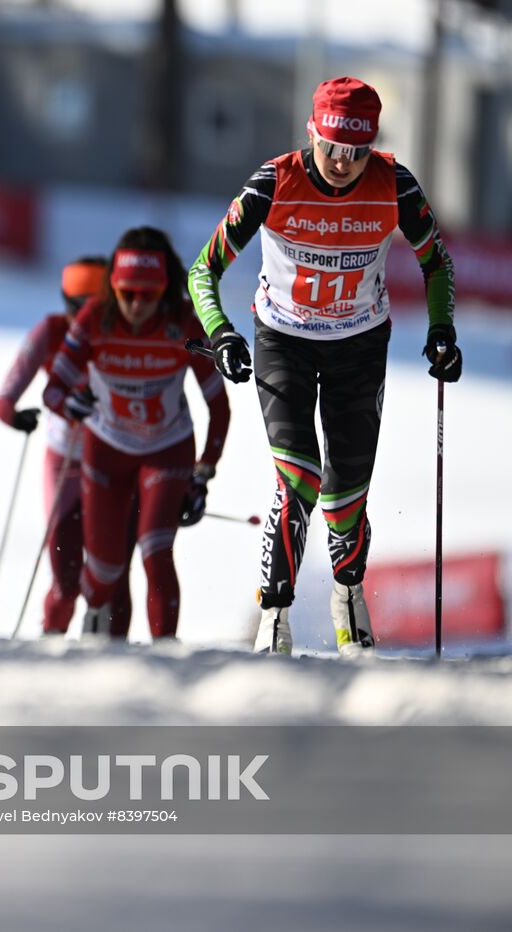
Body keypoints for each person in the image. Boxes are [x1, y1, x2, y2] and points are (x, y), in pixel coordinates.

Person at [188, 76, 459, 656]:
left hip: (360, 348)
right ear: (311, 133)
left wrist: (441, 329)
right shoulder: (274, 181)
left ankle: (347, 594)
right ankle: (275, 613)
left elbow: (437, 263)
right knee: (300, 476)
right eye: (332, 147)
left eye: (357, 151)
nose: (342, 162)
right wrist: (222, 333)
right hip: (284, 341)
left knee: (344, 499)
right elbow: (202, 272)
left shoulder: (394, 184)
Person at [41, 227, 230, 641]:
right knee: (105, 571)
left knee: (155, 550)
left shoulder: (183, 322)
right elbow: (53, 389)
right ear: (112, 287)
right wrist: (69, 404)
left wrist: (202, 474)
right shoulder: (94, 317)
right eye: (127, 293)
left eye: (148, 294)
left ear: (165, 290)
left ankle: (165, 653)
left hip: (167, 450)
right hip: (106, 451)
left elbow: (219, 405)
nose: (136, 305)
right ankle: (106, 637)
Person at [0, 257, 138, 636]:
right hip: (66, 463)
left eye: (100, 307)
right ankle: (51, 643)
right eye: (80, 308)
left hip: (116, 462)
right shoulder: (51, 331)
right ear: (68, 304)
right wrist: (15, 415)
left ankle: (116, 658)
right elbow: (3, 399)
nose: (89, 318)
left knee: (115, 574)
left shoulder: (128, 333)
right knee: (66, 576)